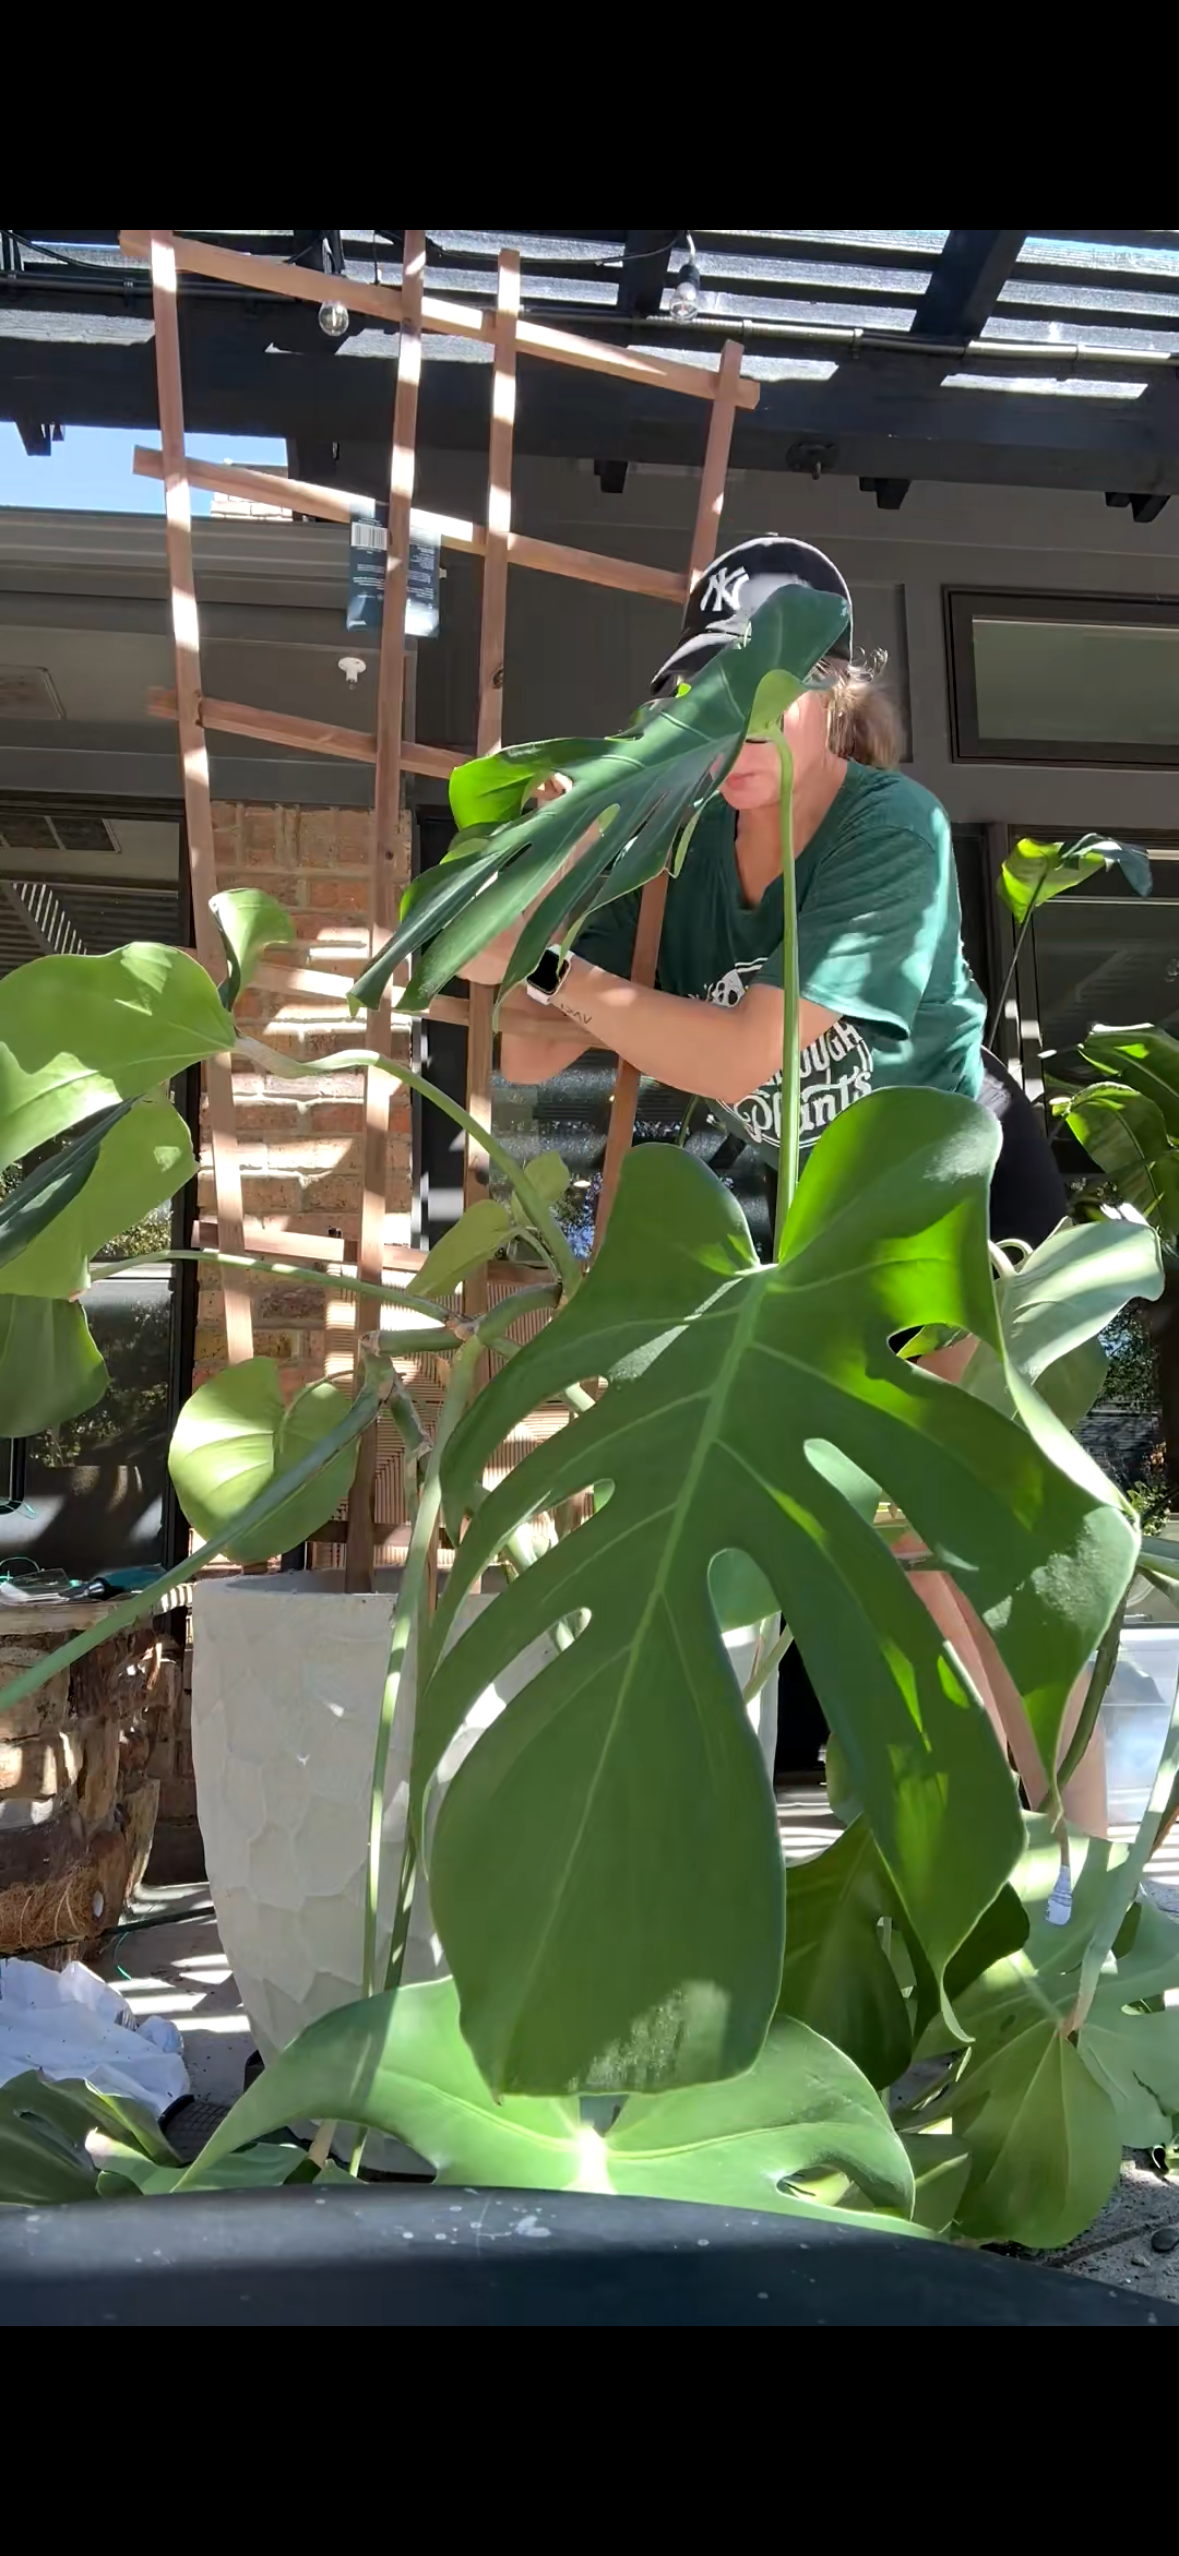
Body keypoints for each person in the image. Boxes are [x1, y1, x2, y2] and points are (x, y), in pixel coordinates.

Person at [459, 535, 1104, 1832]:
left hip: (950, 1205)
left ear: (835, 696)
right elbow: (518, 1033)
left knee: (966, 1554)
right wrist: (548, 883)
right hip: (794, 1224)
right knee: (840, 1560)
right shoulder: (684, 855)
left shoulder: (889, 827)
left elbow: (760, 1047)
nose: (738, 721)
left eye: (770, 685)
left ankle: (1079, 1881)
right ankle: (928, 1855)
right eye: (710, 691)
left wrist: (572, 988)